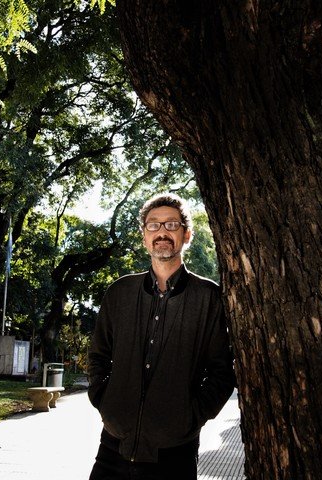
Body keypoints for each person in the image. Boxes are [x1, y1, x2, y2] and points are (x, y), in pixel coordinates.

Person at [88, 192, 236, 480]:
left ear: (187, 234)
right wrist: (105, 402)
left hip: (175, 454)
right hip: (112, 448)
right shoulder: (119, 293)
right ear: (144, 236)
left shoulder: (209, 298)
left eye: (171, 224)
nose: (162, 232)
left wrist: (189, 418)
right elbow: (98, 356)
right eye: (153, 225)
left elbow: (222, 372)